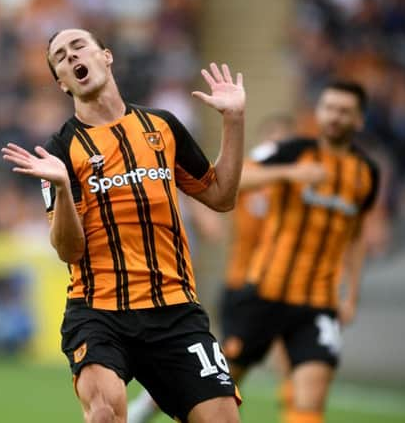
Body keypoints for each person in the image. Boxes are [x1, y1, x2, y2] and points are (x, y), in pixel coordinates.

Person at [2, 28, 245, 423]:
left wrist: (234, 121)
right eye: (60, 58)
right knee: (103, 414)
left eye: (78, 46)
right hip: (99, 311)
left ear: (106, 56)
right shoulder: (60, 150)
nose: (71, 56)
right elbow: (68, 250)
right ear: (62, 83)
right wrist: (63, 188)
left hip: (175, 310)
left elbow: (221, 196)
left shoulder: (162, 128)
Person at [226, 81, 379, 423]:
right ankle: (146, 409)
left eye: (345, 111)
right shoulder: (292, 150)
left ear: (359, 120)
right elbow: (234, 179)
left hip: (318, 302)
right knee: (219, 388)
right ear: (319, 112)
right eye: (329, 108)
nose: (335, 117)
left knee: (310, 401)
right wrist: (287, 173)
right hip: (265, 290)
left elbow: (354, 238)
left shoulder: (366, 173)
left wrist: (351, 295)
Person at [127, 114, 297, 423]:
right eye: (274, 142)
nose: (279, 149)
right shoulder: (259, 174)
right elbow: (230, 188)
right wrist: (287, 171)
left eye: (285, 144)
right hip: (245, 287)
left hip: (286, 288)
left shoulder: (293, 190)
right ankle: (148, 404)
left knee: (295, 368)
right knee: (215, 370)